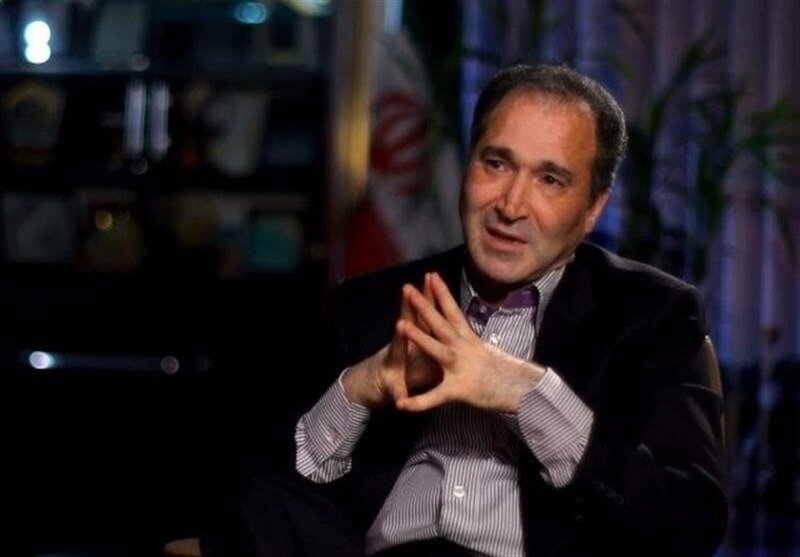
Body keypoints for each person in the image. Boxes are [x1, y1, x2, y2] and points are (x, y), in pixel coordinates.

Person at [231, 63, 728, 557]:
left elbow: (689, 521)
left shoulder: (652, 315)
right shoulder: (370, 303)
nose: (511, 205)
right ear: (467, 166)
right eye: (496, 164)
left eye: (550, 179)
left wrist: (525, 393)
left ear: (593, 207)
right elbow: (268, 497)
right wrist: (360, 389)